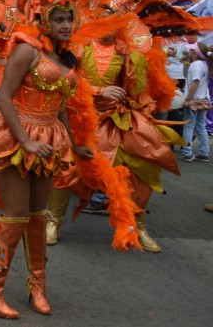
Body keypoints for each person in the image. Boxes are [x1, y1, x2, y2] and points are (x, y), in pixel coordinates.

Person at [0, 6, 93, 318]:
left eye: (69, 19)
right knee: (16, 215)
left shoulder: (65, 59)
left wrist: (75, 145)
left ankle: (37, 286)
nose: (67, 25)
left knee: (38, 215)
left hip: (50, 139)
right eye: (59, 19)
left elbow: (62, 108)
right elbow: (4, 96)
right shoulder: (26, 49)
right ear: (43, 21)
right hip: (17, 136)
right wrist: (25, 141)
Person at [47, 21, 185, 252]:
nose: (110, 23)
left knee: (142, 167)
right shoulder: (78, 46)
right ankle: (53, 222)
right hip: (82, 117)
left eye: (117, 19)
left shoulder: (127, 51)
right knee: (67, 167)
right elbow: (66, 80)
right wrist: (99, 91)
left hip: (118, 118)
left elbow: (136, 90)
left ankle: (137, 225)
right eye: (107, 15)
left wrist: (135, 62)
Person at [181, 43, 210, 163]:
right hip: (203, 99)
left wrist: (188, 99)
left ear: (195, 53)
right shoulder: (203, 64)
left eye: (191, 50)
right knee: (200, 126)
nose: (188, 52)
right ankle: (204, 152)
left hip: (194, 100)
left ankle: (187, 153)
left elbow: (195, 82)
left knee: (188, 127)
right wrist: (186, 62)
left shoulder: (196, 65)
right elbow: (185, 75)